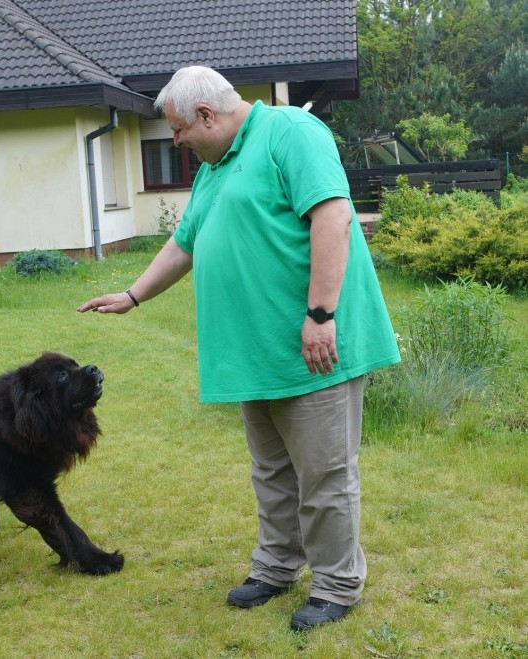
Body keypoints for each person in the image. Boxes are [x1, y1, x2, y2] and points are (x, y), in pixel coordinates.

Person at [77, 66, 400, 631]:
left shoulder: (291, 135)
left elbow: (333, 216)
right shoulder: (214, 166)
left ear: (206, 115)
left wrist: (321, 314)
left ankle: (336, 584)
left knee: (323, 476)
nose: (176, 143)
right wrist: (134, 294)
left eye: (178, 131)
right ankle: (277, 567)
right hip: (255, 351)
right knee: (272, 471)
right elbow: (187, 242)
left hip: (313, 348)